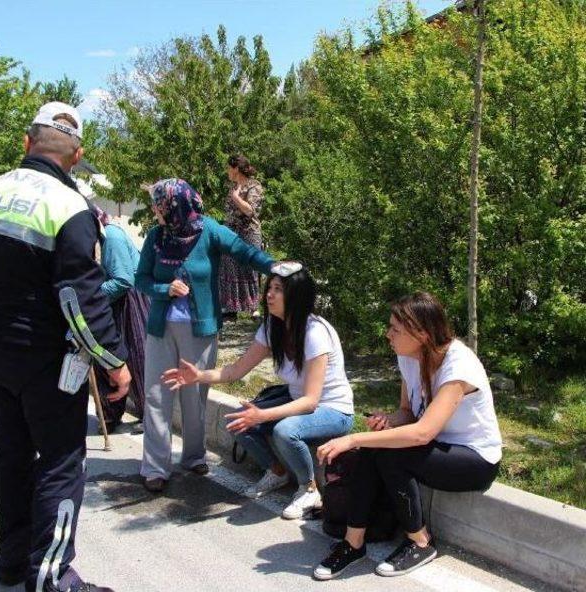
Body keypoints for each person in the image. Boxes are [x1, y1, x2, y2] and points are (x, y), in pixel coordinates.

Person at [0, 101, 131, 592]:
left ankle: (12, 562)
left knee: (10, 455)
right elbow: (80, 300)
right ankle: (52, 577)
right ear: (76, 155)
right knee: (61, 463)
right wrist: (115, 362)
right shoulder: (70, 208)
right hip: (46, 361)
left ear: (26, 143)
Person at [313, 292, 502, 581]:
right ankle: (353, 543)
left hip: (474, 459)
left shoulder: (458, 366)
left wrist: (353, 438)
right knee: (374, 448)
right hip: (438, 446)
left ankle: (421, 542)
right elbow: (408, 413)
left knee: (387, 452)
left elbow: (422, 433)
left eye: (395, 329)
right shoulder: (409, 357)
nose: (388, 334)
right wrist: (388, 421)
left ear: (422, 334)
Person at [162, 263, 355, 519]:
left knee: (285, 431)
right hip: (298, 400)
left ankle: (309, 488)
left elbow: (310, 401)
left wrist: (264, 415)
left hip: (333, 409)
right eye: (269, 288)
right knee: (238, 421)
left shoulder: (314, 333)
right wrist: (198, 376)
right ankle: (277, 472)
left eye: (278, 289)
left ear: (296, 296)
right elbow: (236, 371)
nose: (269, 295)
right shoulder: (271, 327)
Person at [135, 178, 274, 493]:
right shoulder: (156, 237)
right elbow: (140, 279)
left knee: (194, 396)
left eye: (159, 205)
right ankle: (155, 467)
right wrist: (163, 289)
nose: (156, 212)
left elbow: (244, 252)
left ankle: (193, 456)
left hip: (200, 329)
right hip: (161, 328)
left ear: (176, 206)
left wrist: (276, 268)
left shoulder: (208, 230)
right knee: (157, 396)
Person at [89, 203, 150, 433]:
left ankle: (149, 415)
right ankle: (109, 415)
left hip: (129, 301)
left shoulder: (111, 237)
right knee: (104, 356)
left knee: (135, 356)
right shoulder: (96, 239)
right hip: (112, 301)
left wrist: (91, 295)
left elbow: (124, 280)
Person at [219, 154, 265, 320]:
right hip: (232, 232)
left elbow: (249, 210)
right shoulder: (232, 187)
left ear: (236, 168)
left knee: (250, 267)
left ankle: (253, 308)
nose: (227, 171)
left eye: (228, 167)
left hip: (249, 232)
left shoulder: (254, 186)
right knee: (229, 265)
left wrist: (236, 198)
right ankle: (231, 308)